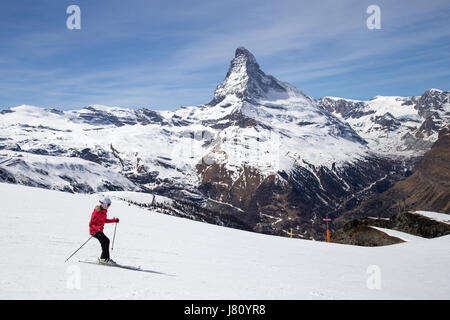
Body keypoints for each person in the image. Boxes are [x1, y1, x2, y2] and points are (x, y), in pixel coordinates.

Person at [89, 197, 119, 265]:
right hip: (94, 231)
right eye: (108, 205)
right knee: (106, 241)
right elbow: (91, 224)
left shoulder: (103, 212)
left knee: (105, 241)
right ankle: (104, 259)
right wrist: (98, 227)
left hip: (99, 231)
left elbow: (104, 220)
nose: (109, 206)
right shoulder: (97, 212)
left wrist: (114, 220)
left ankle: (105, 258)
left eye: (109, 205)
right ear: (104, 204)